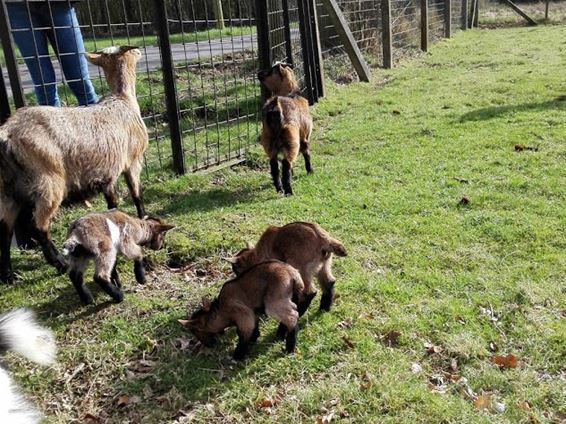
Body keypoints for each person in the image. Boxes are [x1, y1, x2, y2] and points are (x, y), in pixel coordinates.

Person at [5, 0, 98, 106]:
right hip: (16, 6)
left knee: (80, 80)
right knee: (44, 86)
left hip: (59, 4)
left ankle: (96, 119)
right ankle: (50, 121)